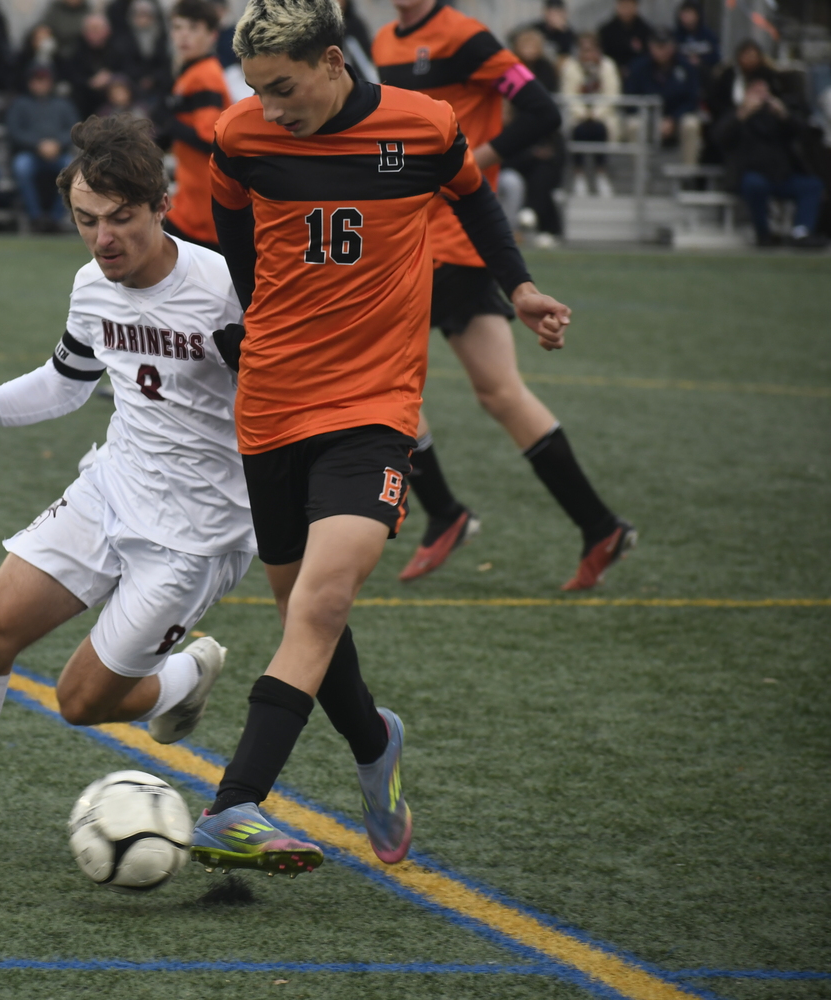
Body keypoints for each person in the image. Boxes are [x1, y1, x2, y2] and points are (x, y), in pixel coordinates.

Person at [194, 0, 573, 873]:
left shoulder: (424, 124)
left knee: (322, 603)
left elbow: (475, 204)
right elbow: (238, 243)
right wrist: (260, 325)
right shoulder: (241, 137)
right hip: (272, 405)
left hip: (373, 407)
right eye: (257, 89)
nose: (271, 107)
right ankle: (375, 745)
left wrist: (517, 288)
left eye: (284, 87)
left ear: (333, 61)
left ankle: (234, 804)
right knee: (301, 613)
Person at [0, 113, 251, 854]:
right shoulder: (93, 286)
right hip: (113, 487)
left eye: (122, 219)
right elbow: (65, 385)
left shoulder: (225, 286)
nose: (104, 239)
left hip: (198, 532)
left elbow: (310, 383)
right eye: (87, 221)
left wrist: (257, 365)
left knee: (80, 701)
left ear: (162, 205)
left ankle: (187, 675)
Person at [375, 0, 629, 588]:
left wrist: (468, 164)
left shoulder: (466, 38)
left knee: (374, 376)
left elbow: (541, 111)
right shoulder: (387, 40)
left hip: (450, 241)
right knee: (500, 393)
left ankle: (444, 512)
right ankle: (599, 525)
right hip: (427, 236)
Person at [714, 76, 826, 248]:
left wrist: (784, 114)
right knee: (754, 185)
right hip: (752, 174)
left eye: (765, 92)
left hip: (782, 176)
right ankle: (763, 233)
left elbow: (805, 134)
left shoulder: (777, 117)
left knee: (812, 185)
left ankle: (801, 233)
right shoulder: (737, 115)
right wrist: (744, 113)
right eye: (756, 92)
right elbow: (720, 137)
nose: (761, 96)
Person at [161, 0, 228, 250]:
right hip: (192, 200)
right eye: (178, 27)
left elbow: (208, 139)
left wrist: (169, 125)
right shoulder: (192, 73)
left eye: (193, 28)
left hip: (202, 205)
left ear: (212, 35)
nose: (184, 35)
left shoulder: (204, 75)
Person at [506, 27, 563, 243]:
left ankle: (538, 219)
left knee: (545, 169)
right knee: (526, 168)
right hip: (518, 139)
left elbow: (548, 113)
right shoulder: (510, 69)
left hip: (542, 135)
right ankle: (536, 222)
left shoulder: (547, 70)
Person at [7, 65, 78, 229]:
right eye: (36, 80)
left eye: (44, 80)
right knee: (21, 167)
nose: (40, 85)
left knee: (72, 170)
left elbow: (74, 129)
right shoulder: (19, 103)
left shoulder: (63, 105)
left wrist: (57, 144)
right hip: (29, 153)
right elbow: (15, 131)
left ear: (51, 82)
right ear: (30, 83)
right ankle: (35, 217)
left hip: (59, 154)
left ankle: (55, 218)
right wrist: (38, 145)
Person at [623, 30, 701, 166]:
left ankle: (687, 174)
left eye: (665, 47)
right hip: (647, 119)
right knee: (633, 125)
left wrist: (674, 119)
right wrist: (653, 120)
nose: (661, 51)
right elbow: (630, 100)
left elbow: (692, 99)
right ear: (650, 47)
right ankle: (640, 172)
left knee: (691, 124)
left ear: (673, 47)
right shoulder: (638, 67)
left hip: (676, 120)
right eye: (657, 47)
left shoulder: (685, 67)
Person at [561, 32, 620, 196]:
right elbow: (568, 95)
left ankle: (601, 175)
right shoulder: (570, 66)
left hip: (602, 116)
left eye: (591, 49)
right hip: (578, 117)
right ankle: (579, 176)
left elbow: (612, 94)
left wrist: (595, 113)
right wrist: (583, 113)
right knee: (579, 131)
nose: (588, 54)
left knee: (600, 130)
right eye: (584, 50)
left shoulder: (608, 66)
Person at [110, 0, 171, 110]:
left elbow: (165, 63)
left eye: (146, 15)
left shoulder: (161, 38)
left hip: (157, 86)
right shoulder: (125, 39)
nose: (143, 19)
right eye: (139, 15)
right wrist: (139, 78)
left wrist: (153, 79)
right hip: (133, 85)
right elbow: (124, 63)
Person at [61, 12, 120, 118]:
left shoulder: (118, 48)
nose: (94, 33)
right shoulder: (75, 51)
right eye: (90, 30)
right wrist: (90, 82)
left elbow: (126, 70)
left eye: (97, 29)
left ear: (107, 31)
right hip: (85, 97)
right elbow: (71, 76)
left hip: (111, 93)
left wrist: (110, 77)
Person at [598, 0, 650, 78]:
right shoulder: (606, 31)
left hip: (638, 74)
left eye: (630, 6)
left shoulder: (645, 30)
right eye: (623, 6)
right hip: (613, 72)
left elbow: (647, 54)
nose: (626, 10)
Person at [672, 0, 716, 76]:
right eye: (684, 13)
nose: (686, 16)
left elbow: (716, 56)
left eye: (689, 13)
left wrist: (701, 61)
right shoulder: (675, 36)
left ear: (697, 15)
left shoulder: (708, 35)